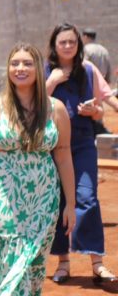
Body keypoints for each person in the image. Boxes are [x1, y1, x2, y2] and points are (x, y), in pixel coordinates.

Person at [0, 43, 75, 295]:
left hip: (43, 199)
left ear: (38, 69)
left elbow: (63, 156)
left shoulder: (55, 109)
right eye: (14, 63)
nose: (20, 68)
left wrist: (70, 203)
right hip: (1, 196)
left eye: (27, 63)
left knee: (33, 264)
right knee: (4, 254)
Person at [46, 23, 116, 286]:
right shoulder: (45, 71)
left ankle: (96, 262)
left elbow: (101, 106)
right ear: (54, 45)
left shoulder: (87, 70)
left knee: (87, 197)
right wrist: (51, 82)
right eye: (62, 42)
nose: (67, 46)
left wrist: (94, 112)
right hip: (53, 146)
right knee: (59, 201)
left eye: (71, 42)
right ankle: (63, 263)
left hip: (83, 144)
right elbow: (34, 105)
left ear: (79, 45)